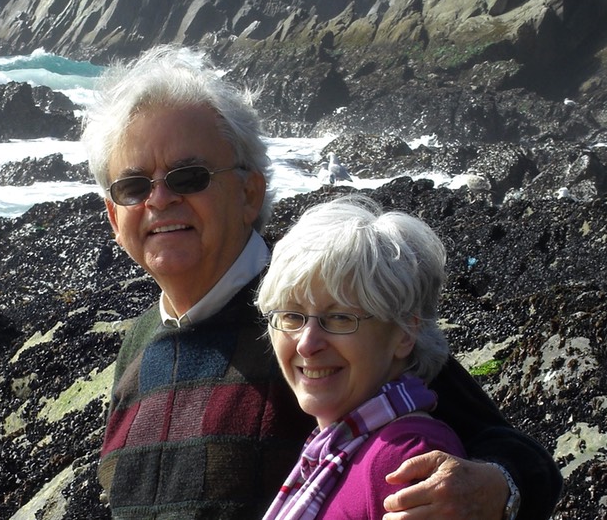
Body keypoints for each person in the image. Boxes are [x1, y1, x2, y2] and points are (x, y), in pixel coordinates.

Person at [83, 45, 562, 519]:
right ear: (112, 215)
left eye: (189, 177)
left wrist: (498, 489)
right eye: (133, 186)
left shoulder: (321, 316)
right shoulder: (139, 344)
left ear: (250, 192)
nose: (160, 199)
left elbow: (514, 454)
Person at [255, 194, 465, 519]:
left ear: (405, 333)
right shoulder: (333, 449)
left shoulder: (406, 460)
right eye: (292, 316)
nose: (306, 344)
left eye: (339, 317)